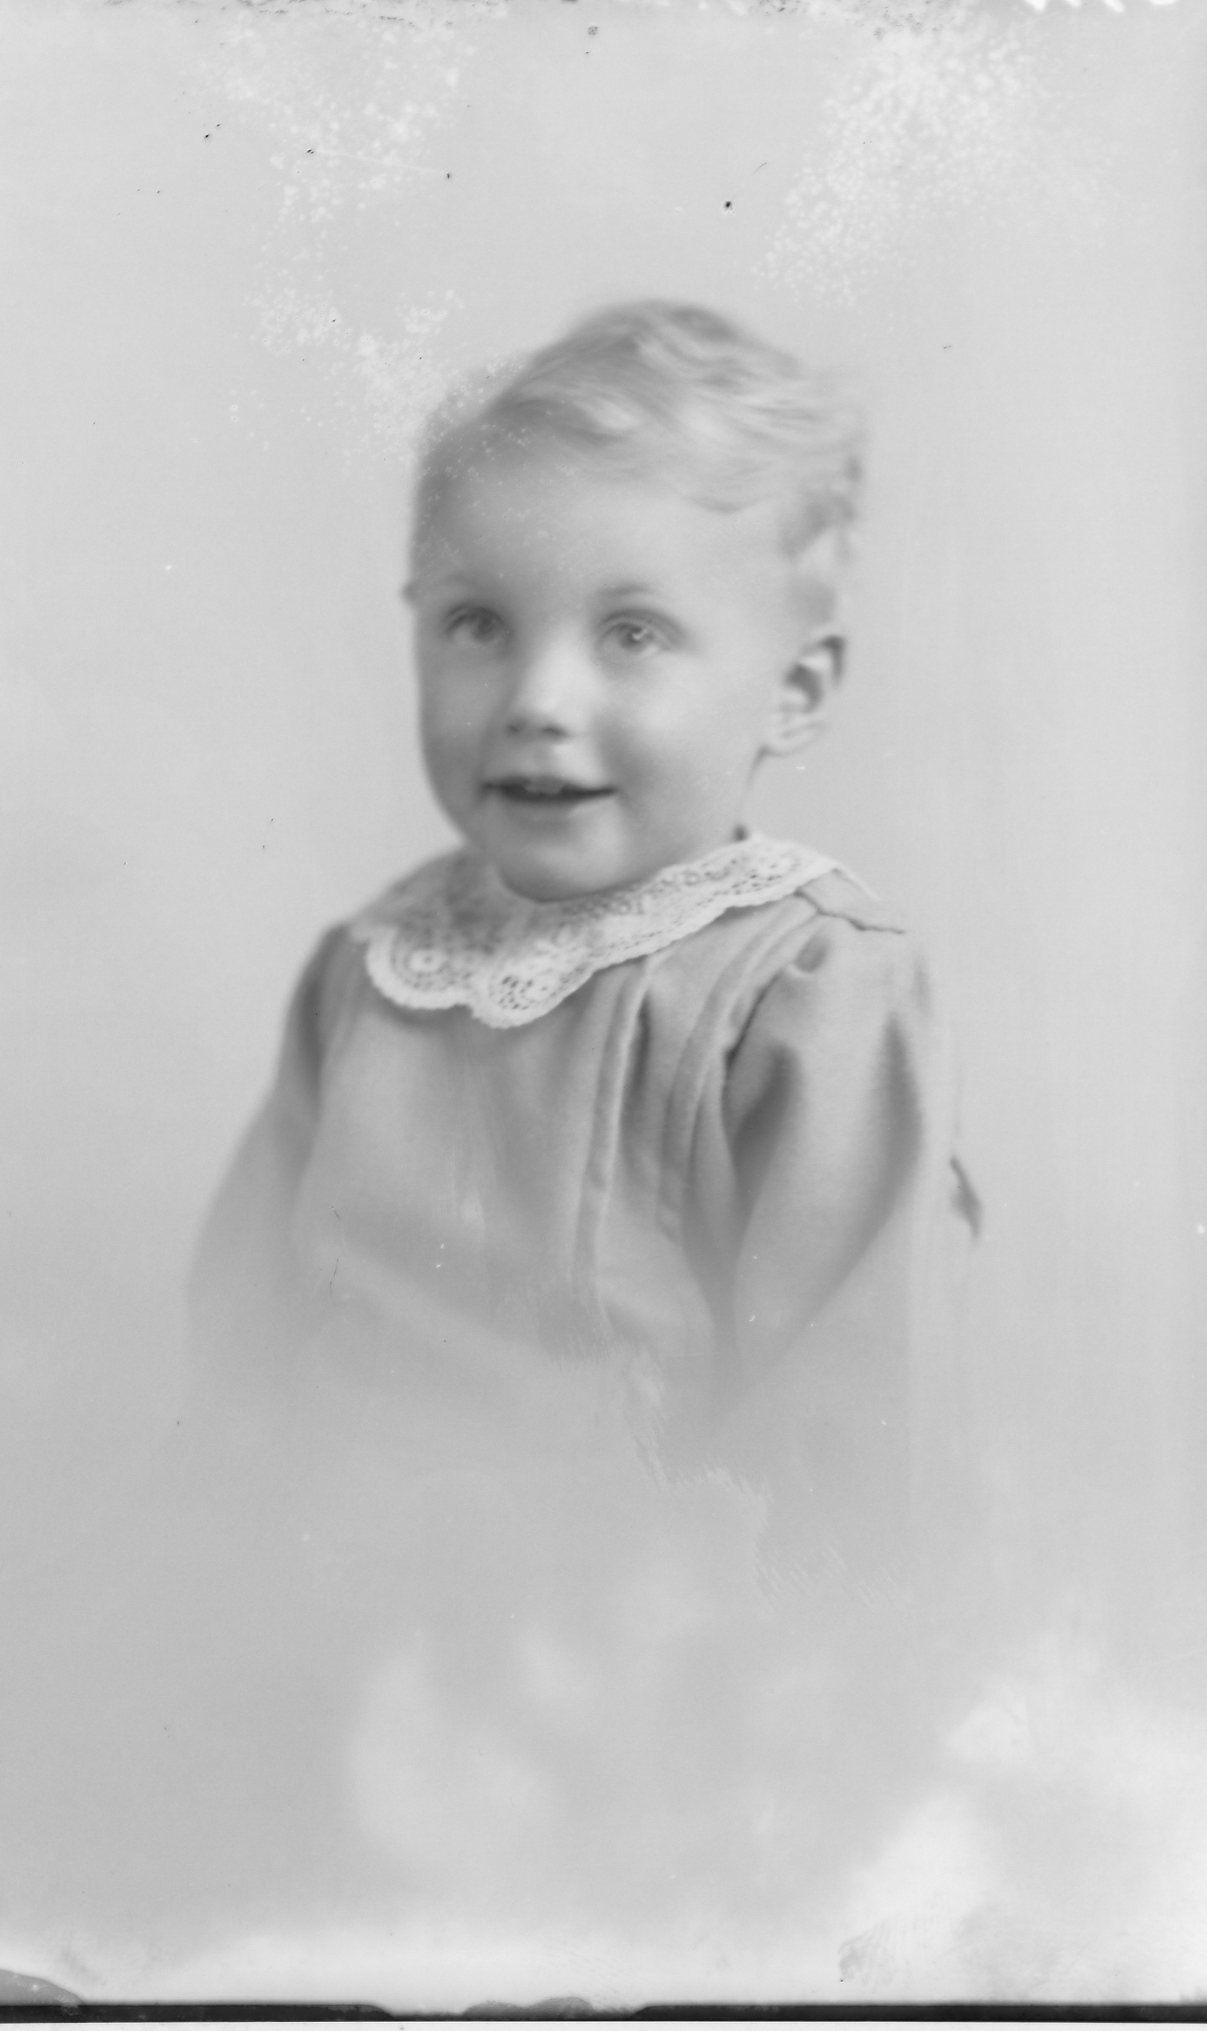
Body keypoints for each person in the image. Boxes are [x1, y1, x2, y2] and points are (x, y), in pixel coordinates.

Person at [181, 302, 979, 1920]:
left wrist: (784, 1733)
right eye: (478, 622)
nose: (536, 697)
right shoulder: (373, 967)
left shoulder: (803, 988)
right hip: (335, 1660)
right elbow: (245, 1331)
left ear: (794, 689)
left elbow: (848, 1418)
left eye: (632, 633)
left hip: (644, 1703)